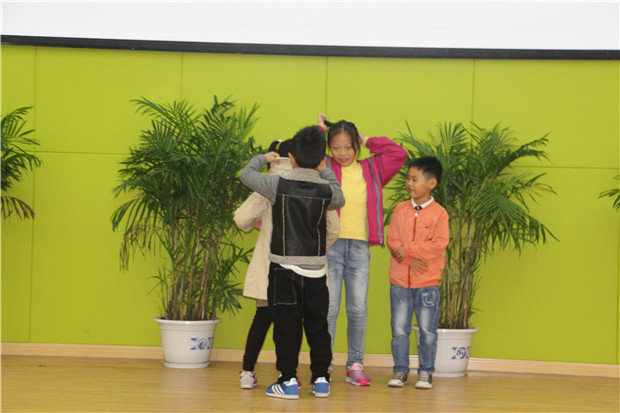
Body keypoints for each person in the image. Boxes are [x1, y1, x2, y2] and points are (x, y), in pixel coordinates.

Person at [239, 125, 345, 400]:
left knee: (287, 328)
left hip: (283, 270)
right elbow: (340, 199)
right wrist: (326, 171)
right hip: (316, 271)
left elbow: (246, 175)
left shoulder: (276, 184)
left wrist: (263, 158)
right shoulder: (326, 190)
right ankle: (321, 380)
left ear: (292, 158)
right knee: (318, 328)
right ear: (321, 158)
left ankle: (287, 382)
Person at [318, 114, 407, 386]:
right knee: (329, 308)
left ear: (356, 145)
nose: (342, 153)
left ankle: (355, 364)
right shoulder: (324, 166)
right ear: (329, 148)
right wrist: (321, 130)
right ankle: (324, 364)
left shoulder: (373, 168)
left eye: (348, 146)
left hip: (359, 247)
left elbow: (398, 153)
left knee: (357, 309)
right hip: (330, 245)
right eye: (336, 147)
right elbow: (305, 152)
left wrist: (367, 140)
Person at [386, 157, 449, 389]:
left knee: (427, 331)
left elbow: (438, 244)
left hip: (427, 283)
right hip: (399, 282)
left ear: (431, 183)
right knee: (399, 330)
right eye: (408, 178)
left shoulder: (440, 214)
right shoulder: (400, 209)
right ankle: (400, 370)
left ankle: (426, 372)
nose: (409, 183)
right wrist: (409, 259)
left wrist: (409, 249)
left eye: (415, 179)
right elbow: (393, 242)